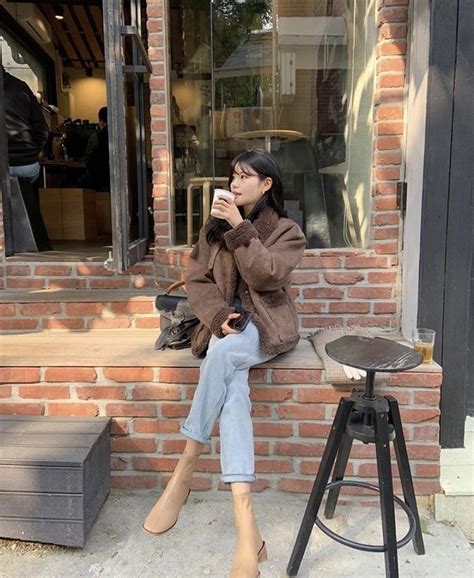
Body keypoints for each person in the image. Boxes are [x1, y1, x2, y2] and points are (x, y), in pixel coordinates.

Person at [143, 150, 307, 577]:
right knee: (232, 384)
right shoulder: (211, 229)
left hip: (267, 327)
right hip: (225, 326)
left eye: (245, 177)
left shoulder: (287, 232)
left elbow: (267, 277)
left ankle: (185, 469)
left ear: (266, 184)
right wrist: (217, 316)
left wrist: (240, 227)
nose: (234, 184)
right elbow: (196, 279)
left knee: (222, 355)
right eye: (232, 176)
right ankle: (246, 525)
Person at [2, 66, 51, 250]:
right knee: (27, 193)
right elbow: (43, 131)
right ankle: (35, 240)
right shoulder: (21, 86)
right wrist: (32, 152)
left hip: (3, 167)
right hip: (27, 166)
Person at [80, 106, 110, 191]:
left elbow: (88, 158)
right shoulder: (117, 135)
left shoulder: (97, 136)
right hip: (110, 178)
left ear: (102, 121)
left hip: (97, 178)